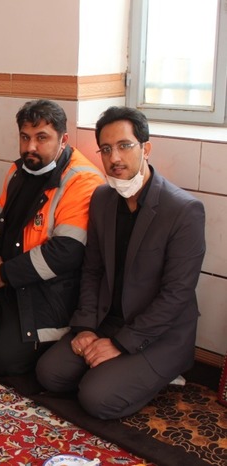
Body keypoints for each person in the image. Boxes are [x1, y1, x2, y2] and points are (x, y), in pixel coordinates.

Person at [35, 106, 206, 419]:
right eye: (106, 149)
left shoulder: (184, 211)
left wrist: (120, 344)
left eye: (124, 146)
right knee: (50, 373)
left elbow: (176, 295)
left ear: (146, 148)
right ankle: (113, 373)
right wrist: (85, 328)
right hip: (108, 320)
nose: (114, 158)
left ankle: (163, 373)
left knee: (97, 397)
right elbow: (92, 270)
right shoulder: (102, 198)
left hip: (160, 333)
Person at [0, 99, 105, 376]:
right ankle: (8, 331)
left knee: (3, 361)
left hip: (49, 291)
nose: (30, 146)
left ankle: (27, 339)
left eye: (42, 138)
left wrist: (4, 273)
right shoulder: (18, 169)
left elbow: (67, 252)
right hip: (7, 283)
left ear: (63, 139)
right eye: (25, 137)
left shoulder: (82, 180)